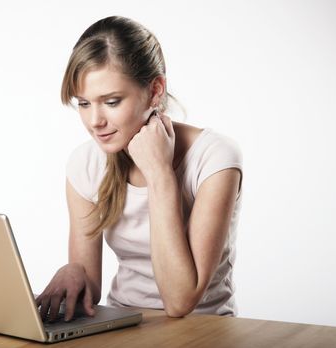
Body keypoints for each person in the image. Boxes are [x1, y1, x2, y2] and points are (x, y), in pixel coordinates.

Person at [36, 15, 243, 322]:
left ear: (155, 90)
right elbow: (89, 292)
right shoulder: (85, 163)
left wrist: (159, 173)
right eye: (83, 103)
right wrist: (73, 274)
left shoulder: (214, 158)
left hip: (204, 329)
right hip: (125, 325)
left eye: (112, 101)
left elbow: (180, 301)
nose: (95, 121)